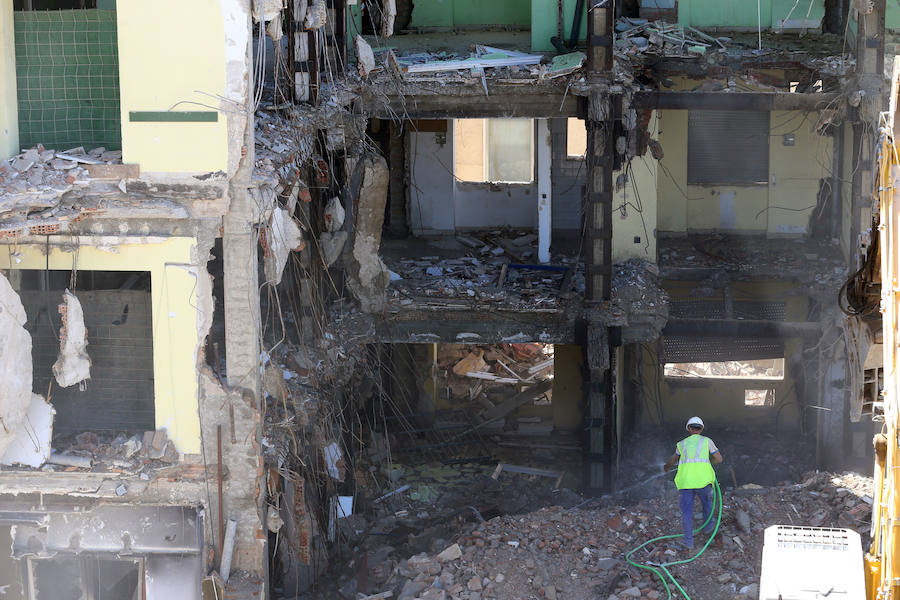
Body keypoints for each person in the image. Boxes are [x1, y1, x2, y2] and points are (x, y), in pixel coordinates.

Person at [662, 416, 723, 550]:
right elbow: (719, 459)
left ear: (689, 429)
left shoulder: (681, 444)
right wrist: (708, 462)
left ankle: (688, 542)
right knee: (708, 506)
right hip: (704, 481)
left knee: (687, 513)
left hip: (686, 483)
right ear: (701, 429)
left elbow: (672, 460)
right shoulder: (707, 441)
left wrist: (666, 467)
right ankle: (708, 530)